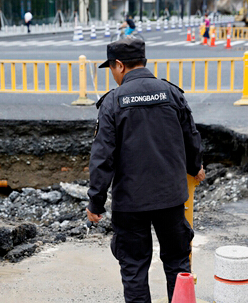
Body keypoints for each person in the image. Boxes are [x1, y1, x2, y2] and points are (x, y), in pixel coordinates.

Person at [87, 38, 205, 303]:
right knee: (177, 262)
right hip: (171, 199)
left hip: (130, 203)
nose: (113, 75)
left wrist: (96, 201)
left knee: (134, 268)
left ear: (119, 65)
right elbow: (191, 136)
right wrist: (195, 166)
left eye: (112, 69)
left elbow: (102, 156)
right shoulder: (170, 93)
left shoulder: (113, 102)